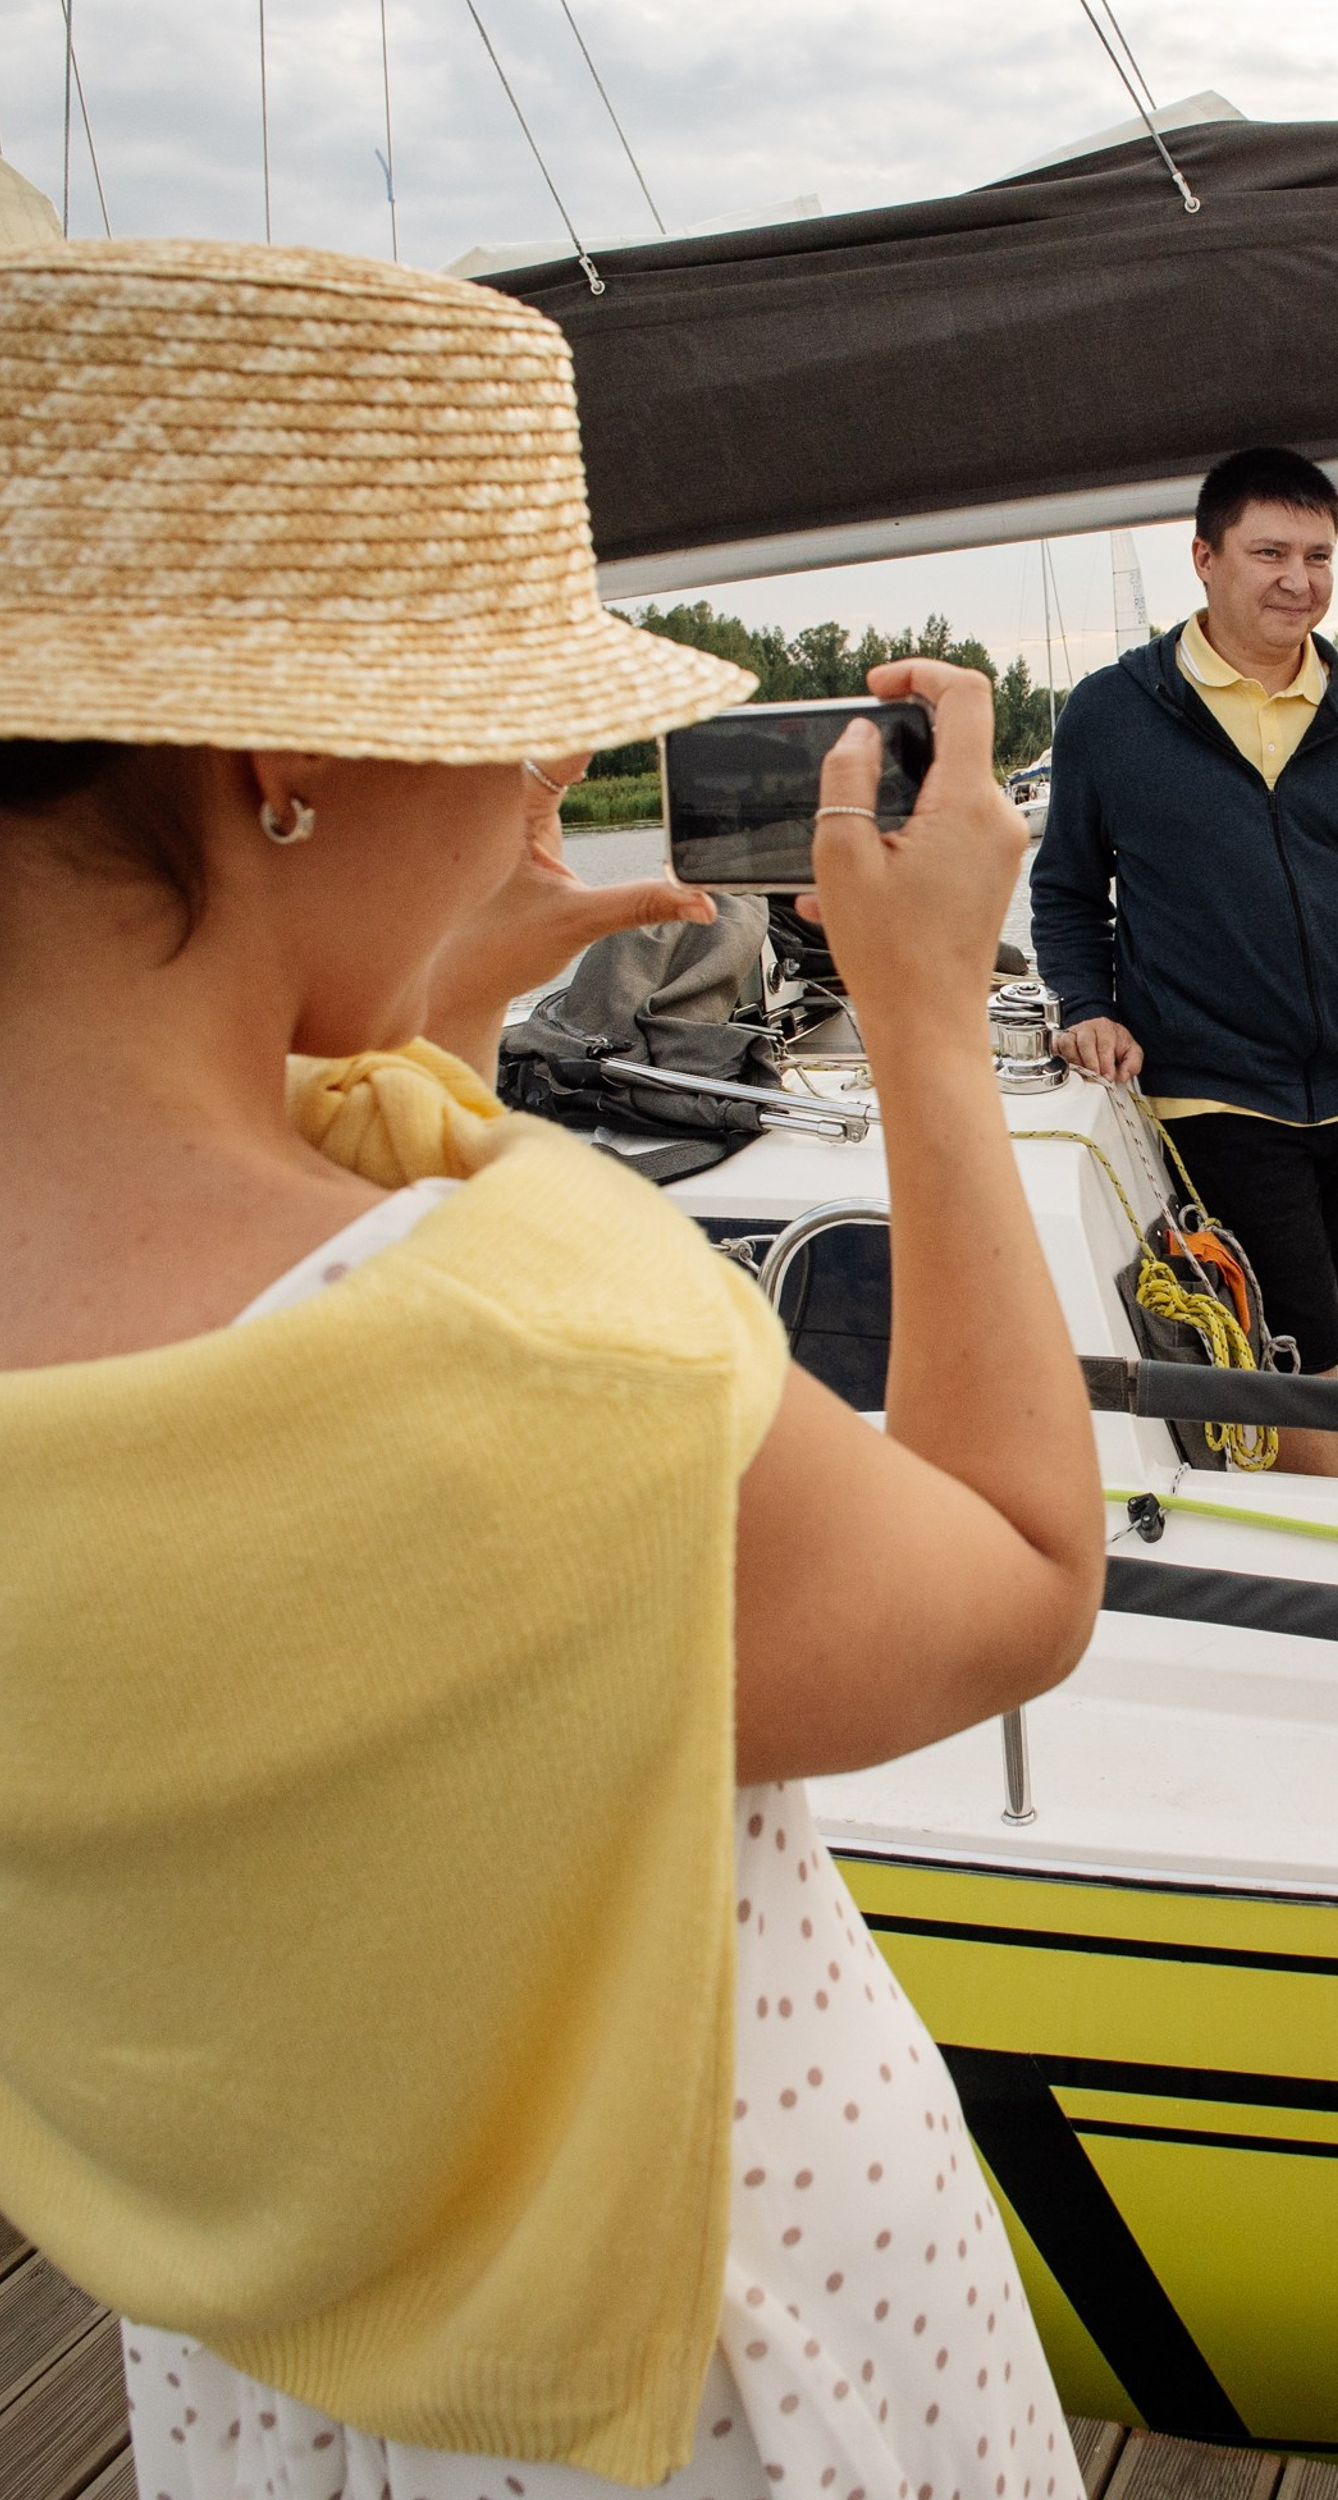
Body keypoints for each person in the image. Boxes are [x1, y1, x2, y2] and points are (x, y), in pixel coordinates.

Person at [0, 239, 1102, 2500]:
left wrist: (421, 1005)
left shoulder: (353, 1276)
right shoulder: (537, 1335)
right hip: (704, 2363)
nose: (559, 771)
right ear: (286, 752)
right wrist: (921, 1013)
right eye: (517, 705)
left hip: (258, 2380)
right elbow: (1015, 1569)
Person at [1031, 446, 1338, 1476]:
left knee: (1297, 1335)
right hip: (1211, 1098)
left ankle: (1265, 1530)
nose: (1298, 580)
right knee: (1303, 1360)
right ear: (1205, 558)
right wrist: (1086, 1002)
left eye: (1317, 556)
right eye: (1269, 552)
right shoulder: (1111, 713)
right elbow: (1066, 890)